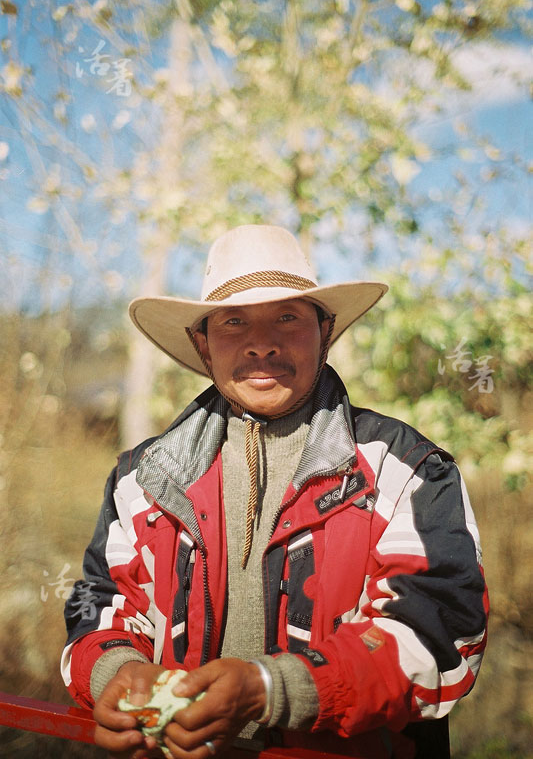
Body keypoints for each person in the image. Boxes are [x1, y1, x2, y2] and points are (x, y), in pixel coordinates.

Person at [62, 224, 488, 759]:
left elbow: (441, 633)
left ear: (324, 331)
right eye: (233, 321)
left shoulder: (406, 470)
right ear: (202, 344)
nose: (261, 342)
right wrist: (116, 672)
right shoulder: (141, 479)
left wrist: (270, 689)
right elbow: (100, 604)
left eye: (287, 316)